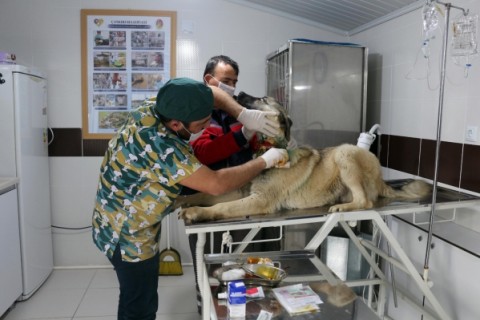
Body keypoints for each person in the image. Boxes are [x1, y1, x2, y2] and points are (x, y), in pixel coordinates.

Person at [91, 77, 288, 320]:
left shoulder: (157, 106)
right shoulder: (161, 146)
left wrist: (242, 114)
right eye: (202, 123)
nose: (206, 126)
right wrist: (266, 160)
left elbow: (212, 93)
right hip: (128, 235)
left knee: (133, 297)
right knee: (140, 305)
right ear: (176, 124)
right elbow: (216, 183)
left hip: (119, 216)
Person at [186, 55, 292, 313]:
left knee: (250, 264)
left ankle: (253, 309)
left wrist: (267, 144)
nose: (231, 87)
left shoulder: (240, 113)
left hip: (246, 198)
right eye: (225, 81)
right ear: (209, 81)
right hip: (211, 200)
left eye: (234, 81)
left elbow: (256, 150)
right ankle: (209, 309)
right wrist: (242, 134)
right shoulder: (196, 114)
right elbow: (202, 153)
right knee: (212, 267)